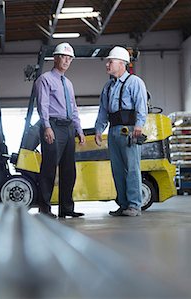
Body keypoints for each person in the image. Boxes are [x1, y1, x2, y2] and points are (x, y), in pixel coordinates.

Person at [94, 46, 148, 217]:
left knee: (132, 168)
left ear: (122, 63)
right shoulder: (108, 87)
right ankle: (123, 204)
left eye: (110, 61)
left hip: (130, 130)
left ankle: (134, 205)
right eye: (107, 62)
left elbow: (141, 106)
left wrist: (139, 126)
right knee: (117, 169)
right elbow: (103, 111)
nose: (107, 65)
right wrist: (98, 130)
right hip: (113, 131)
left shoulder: (135, 82)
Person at [34, 42, 86, 219]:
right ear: (55, 58)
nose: (66, 61)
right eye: (63, 57)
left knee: (69, 170)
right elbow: (43, 105)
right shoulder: (45, 79)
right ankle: (45, 209)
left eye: (69, 58)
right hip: (53, 127)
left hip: (68, 128)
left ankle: (66, 208)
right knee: (49, 168)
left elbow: (73, 107)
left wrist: (79, 129)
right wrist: (47, 126)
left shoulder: (68, 83)